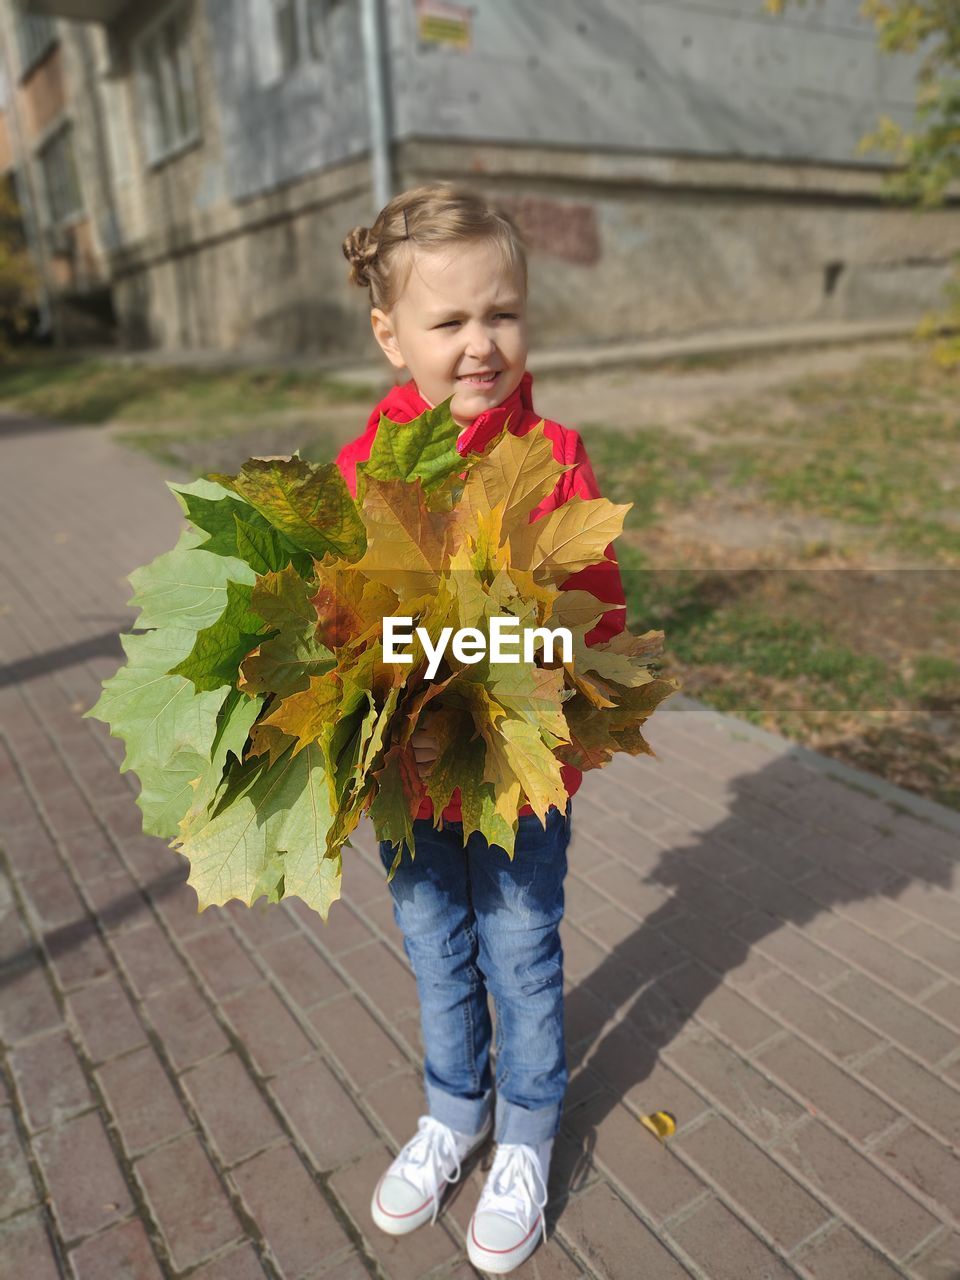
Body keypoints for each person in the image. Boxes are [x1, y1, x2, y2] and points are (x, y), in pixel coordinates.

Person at [336, 183, 626, 1274]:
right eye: (448, 322)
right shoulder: (368, 464)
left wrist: (513, 651)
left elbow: (598, 613)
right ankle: (453, 1109)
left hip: (514, 774)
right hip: (410, 784)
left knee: (518, 947)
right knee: (434, 949)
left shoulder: (552, 452)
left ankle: (528, 1130)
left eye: (499, 314)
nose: (478, 345)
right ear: (390, 333)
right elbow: (344, 619)